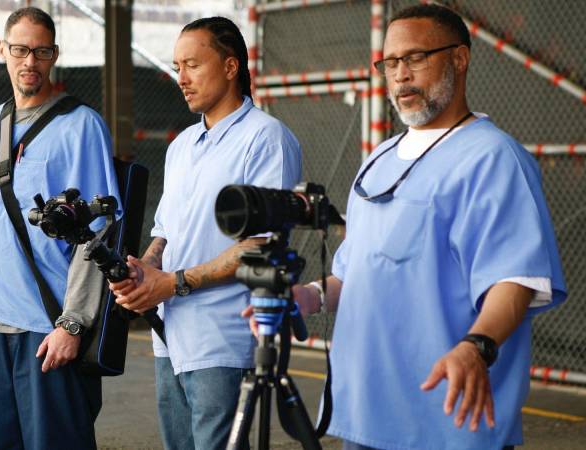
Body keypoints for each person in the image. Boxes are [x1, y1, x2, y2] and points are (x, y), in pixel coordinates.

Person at [271, 4, 567, 450]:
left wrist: (476, 347)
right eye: (390, 63)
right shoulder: (377, 161)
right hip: (364, 416)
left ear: (460, 59)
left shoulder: (493, 158)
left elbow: (514, 279)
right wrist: (307, 296)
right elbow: (354, 276)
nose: (400, 75)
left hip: (445, 420)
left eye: (415, 58)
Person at [109, 17, 302, 450]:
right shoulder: (181, 145)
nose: (182, 78)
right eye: (178, 67)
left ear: (231, 66)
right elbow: (165, 234)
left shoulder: (266, 138)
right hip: (170, 336)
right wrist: (145, 269)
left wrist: (173, 283)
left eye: (193, 64)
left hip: (223, 337)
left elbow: (261, 246)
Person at [0, 7, 120, 450]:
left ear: (54, 55)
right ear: (3, 51)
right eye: (21, 50)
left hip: (47, 329)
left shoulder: (82, 126)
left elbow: (98, 233)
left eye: (41, 52)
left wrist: (74, 323)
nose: (30, 62)